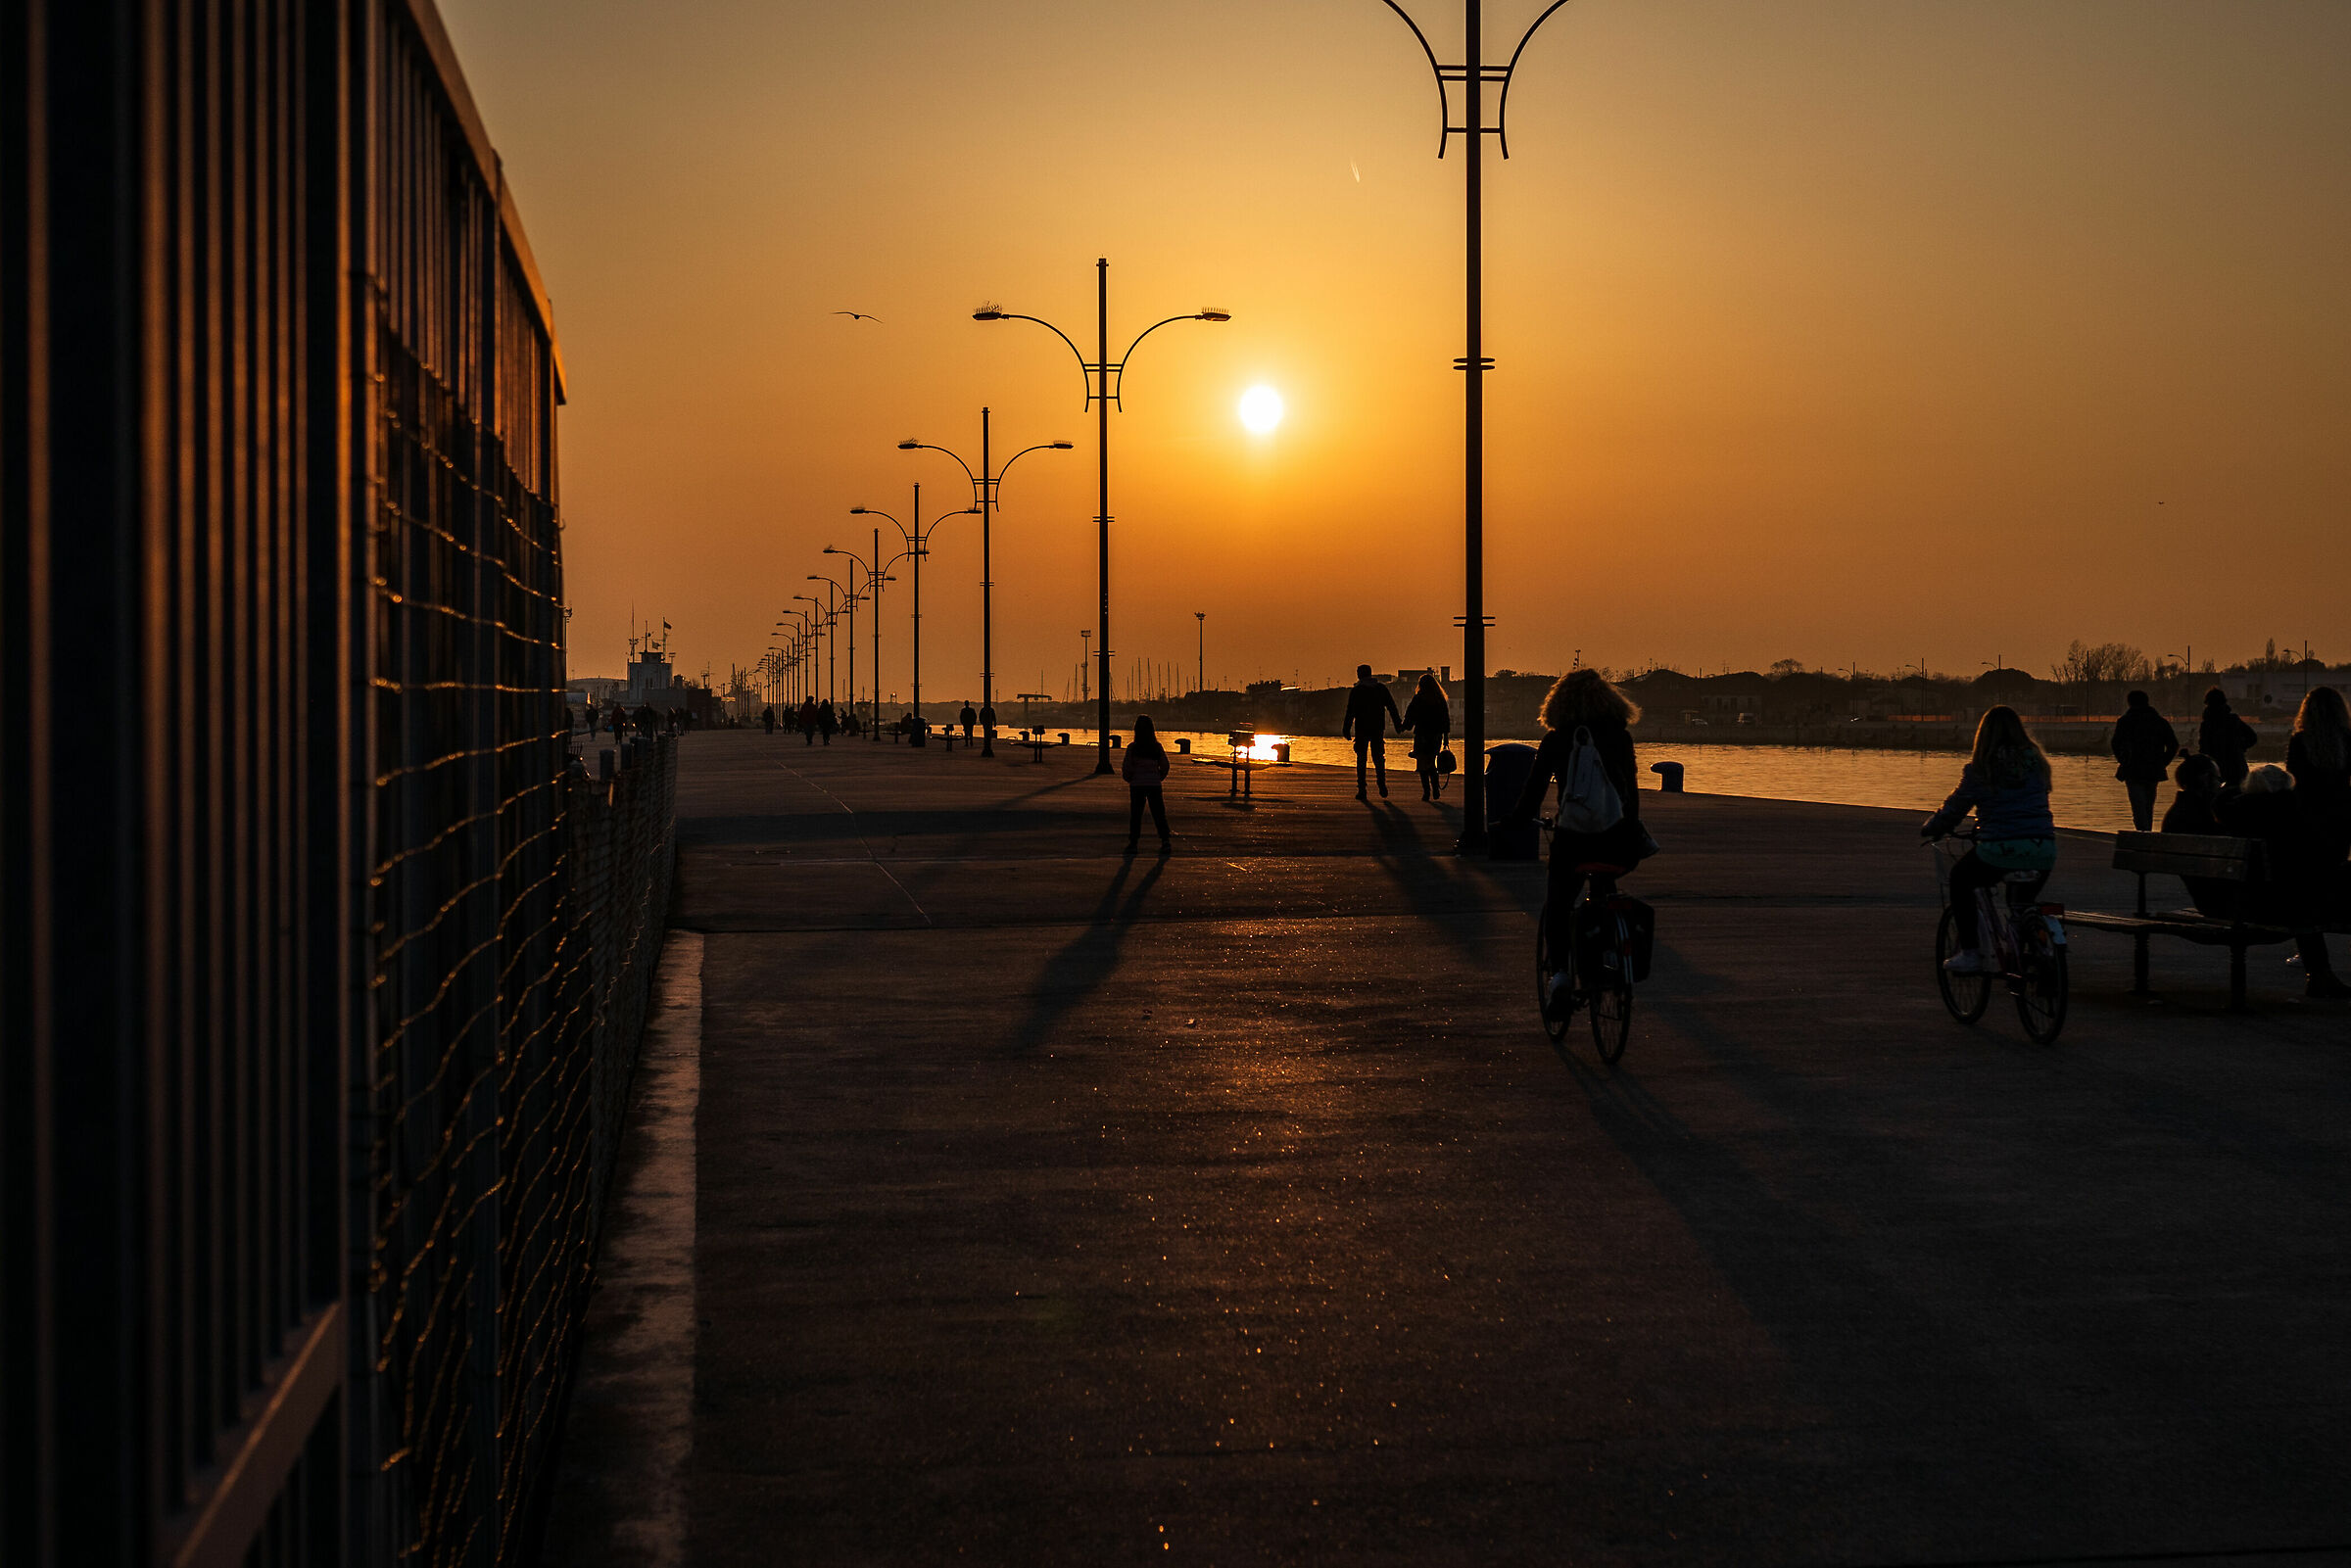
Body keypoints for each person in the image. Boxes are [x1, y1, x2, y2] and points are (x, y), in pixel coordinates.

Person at [1509, 669, 1646, 1012]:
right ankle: (1607, 951)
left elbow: (1534, 789)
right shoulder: (1620, 737)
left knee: (1558, 902)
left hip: (1573, 840)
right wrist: (1630, 828)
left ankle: (1560, 977)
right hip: (1616, 841)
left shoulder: (1557, 739)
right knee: (1603, 889)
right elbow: (1630, 791)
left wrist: (1515, 820)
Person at [1921, 705, 2057, 976]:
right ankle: (2035, 951)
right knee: (2021, 903)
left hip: (1999, 848)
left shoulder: (1980, 769)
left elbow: (1954, 810)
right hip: (2042, 848)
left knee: (1961, 879)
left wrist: (1932, 827)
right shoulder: (2037, 764)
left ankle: (1971, 952)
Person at [2110, 689, 2179, 832]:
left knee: (2138, 804)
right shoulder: (2159, 722)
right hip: (2153, 769)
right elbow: (2173, 745)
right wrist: (2162, 762)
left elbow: (2115, 743)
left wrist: (2123, 760)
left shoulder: (2124, 722)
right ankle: (2146, 832)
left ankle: (2143, 832)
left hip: (2132, 769)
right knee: (2148, 804)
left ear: (2129, 703)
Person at [1340, 664, 1403, 800]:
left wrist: (1346, 729)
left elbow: (1350, 711)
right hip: (1378, 727)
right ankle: (1382, 784)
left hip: (1362, 728)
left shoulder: (1357, 690)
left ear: (1360, 675)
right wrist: (1398, 724)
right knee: (1378, 757)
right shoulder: (1381, 688)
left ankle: (1362, 789)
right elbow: (1392, 707)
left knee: (1361, 759)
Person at [1122, 714, 1173, 852]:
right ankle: (1165, 840)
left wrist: (1130, 779)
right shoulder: (1156, 747)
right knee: (1158, 813)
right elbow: (1165, 765)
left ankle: (1133, 843)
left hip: (1137, 785)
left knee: (1136, 814)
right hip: (1154, 784)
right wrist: (1159, 777)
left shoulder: (1132, 748)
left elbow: (1126, 768)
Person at [1400, 673, 1451, 801]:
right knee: (1431, 761)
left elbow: (1410, 714)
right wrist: (1445, 738)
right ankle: (1435, 789)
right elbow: (1445, 719)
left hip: (1422, 734)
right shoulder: (1440, 699)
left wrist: (1403, 727)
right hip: (1436, 735)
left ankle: (1426, 792)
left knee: (1422, 764)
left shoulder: (1419, 698)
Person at [2199, 688, 2259, 785]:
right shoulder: (2233, 720)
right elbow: (2252, 737)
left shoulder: (2207, 724)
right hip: (2236, 765)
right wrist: (2240, 747)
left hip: (2216, 767)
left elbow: (2203, 748)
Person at [2161, 754, 2225, 835]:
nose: (2220, 784)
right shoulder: (2203, 816)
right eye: (2218, 779)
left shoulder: (2179, 811)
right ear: (2205, 778)